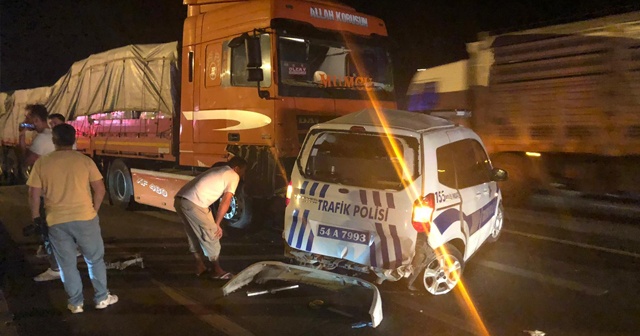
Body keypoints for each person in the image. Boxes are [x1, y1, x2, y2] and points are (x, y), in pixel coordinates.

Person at [26, 123, 117, 313]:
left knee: (67, 264)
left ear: (54, 140)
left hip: (56, 221)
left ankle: (76, 303)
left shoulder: (43, 163)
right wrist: (94, 209)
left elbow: (33, 194)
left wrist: (36, 217)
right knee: (94, 259)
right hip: (85, 217)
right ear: (74, 139)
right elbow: (100, 189)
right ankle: (101, 297)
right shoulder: (84, 161)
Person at [174, 156, 248, 279]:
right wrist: (217, 224)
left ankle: (200, 266)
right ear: (237, 168)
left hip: (181, 200)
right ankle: (217, 270)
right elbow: (226, 201)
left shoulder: (219, 170)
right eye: (244, 170)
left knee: (193, 234)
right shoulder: (233, 175)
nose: (244, 173)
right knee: (212, 233)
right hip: (194, 203)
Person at [18, 104, 61, 281]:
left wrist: (21, 136)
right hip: (61, 188)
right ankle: (57, 258)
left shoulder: (41, 140)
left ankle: (56, 268)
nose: (26, 121)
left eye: (28, 118)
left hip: (46, 189)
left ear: (36, 119)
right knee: (58, 228)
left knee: (45, 228)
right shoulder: (57, 136)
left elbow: (25, 161)